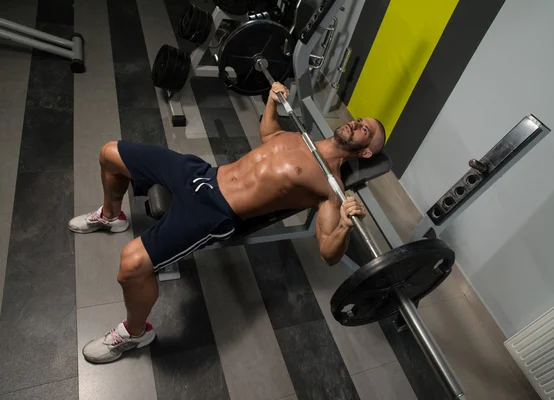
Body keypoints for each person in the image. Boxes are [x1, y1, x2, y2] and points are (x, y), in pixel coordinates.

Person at [70, 82, 386, 364]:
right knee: (110, 153)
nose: (356, 124)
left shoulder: (332, 189)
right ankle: (112, 217)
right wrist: (273, 102)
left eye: (365, 131)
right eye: (359, 120)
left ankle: (134, 332)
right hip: (202, 173)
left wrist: (344, 225)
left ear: (367, 152)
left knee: (131, 265)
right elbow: (269, 134)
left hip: (214, 211)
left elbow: (329, 254)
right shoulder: (299, 137)